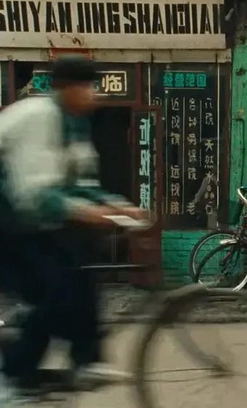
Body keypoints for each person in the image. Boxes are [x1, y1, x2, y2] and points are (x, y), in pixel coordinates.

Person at [0, 56, 145, 399]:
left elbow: (82, 183)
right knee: (55, 291)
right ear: (65, 89)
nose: (93, 94)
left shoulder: (74, 124)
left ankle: (86, 360)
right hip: (10, 217)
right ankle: (12, 377)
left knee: (79, 275)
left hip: (32, 221)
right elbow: (35, 195)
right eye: (86, 86)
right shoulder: (38, 117)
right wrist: (89, 213)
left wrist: (120, 207)